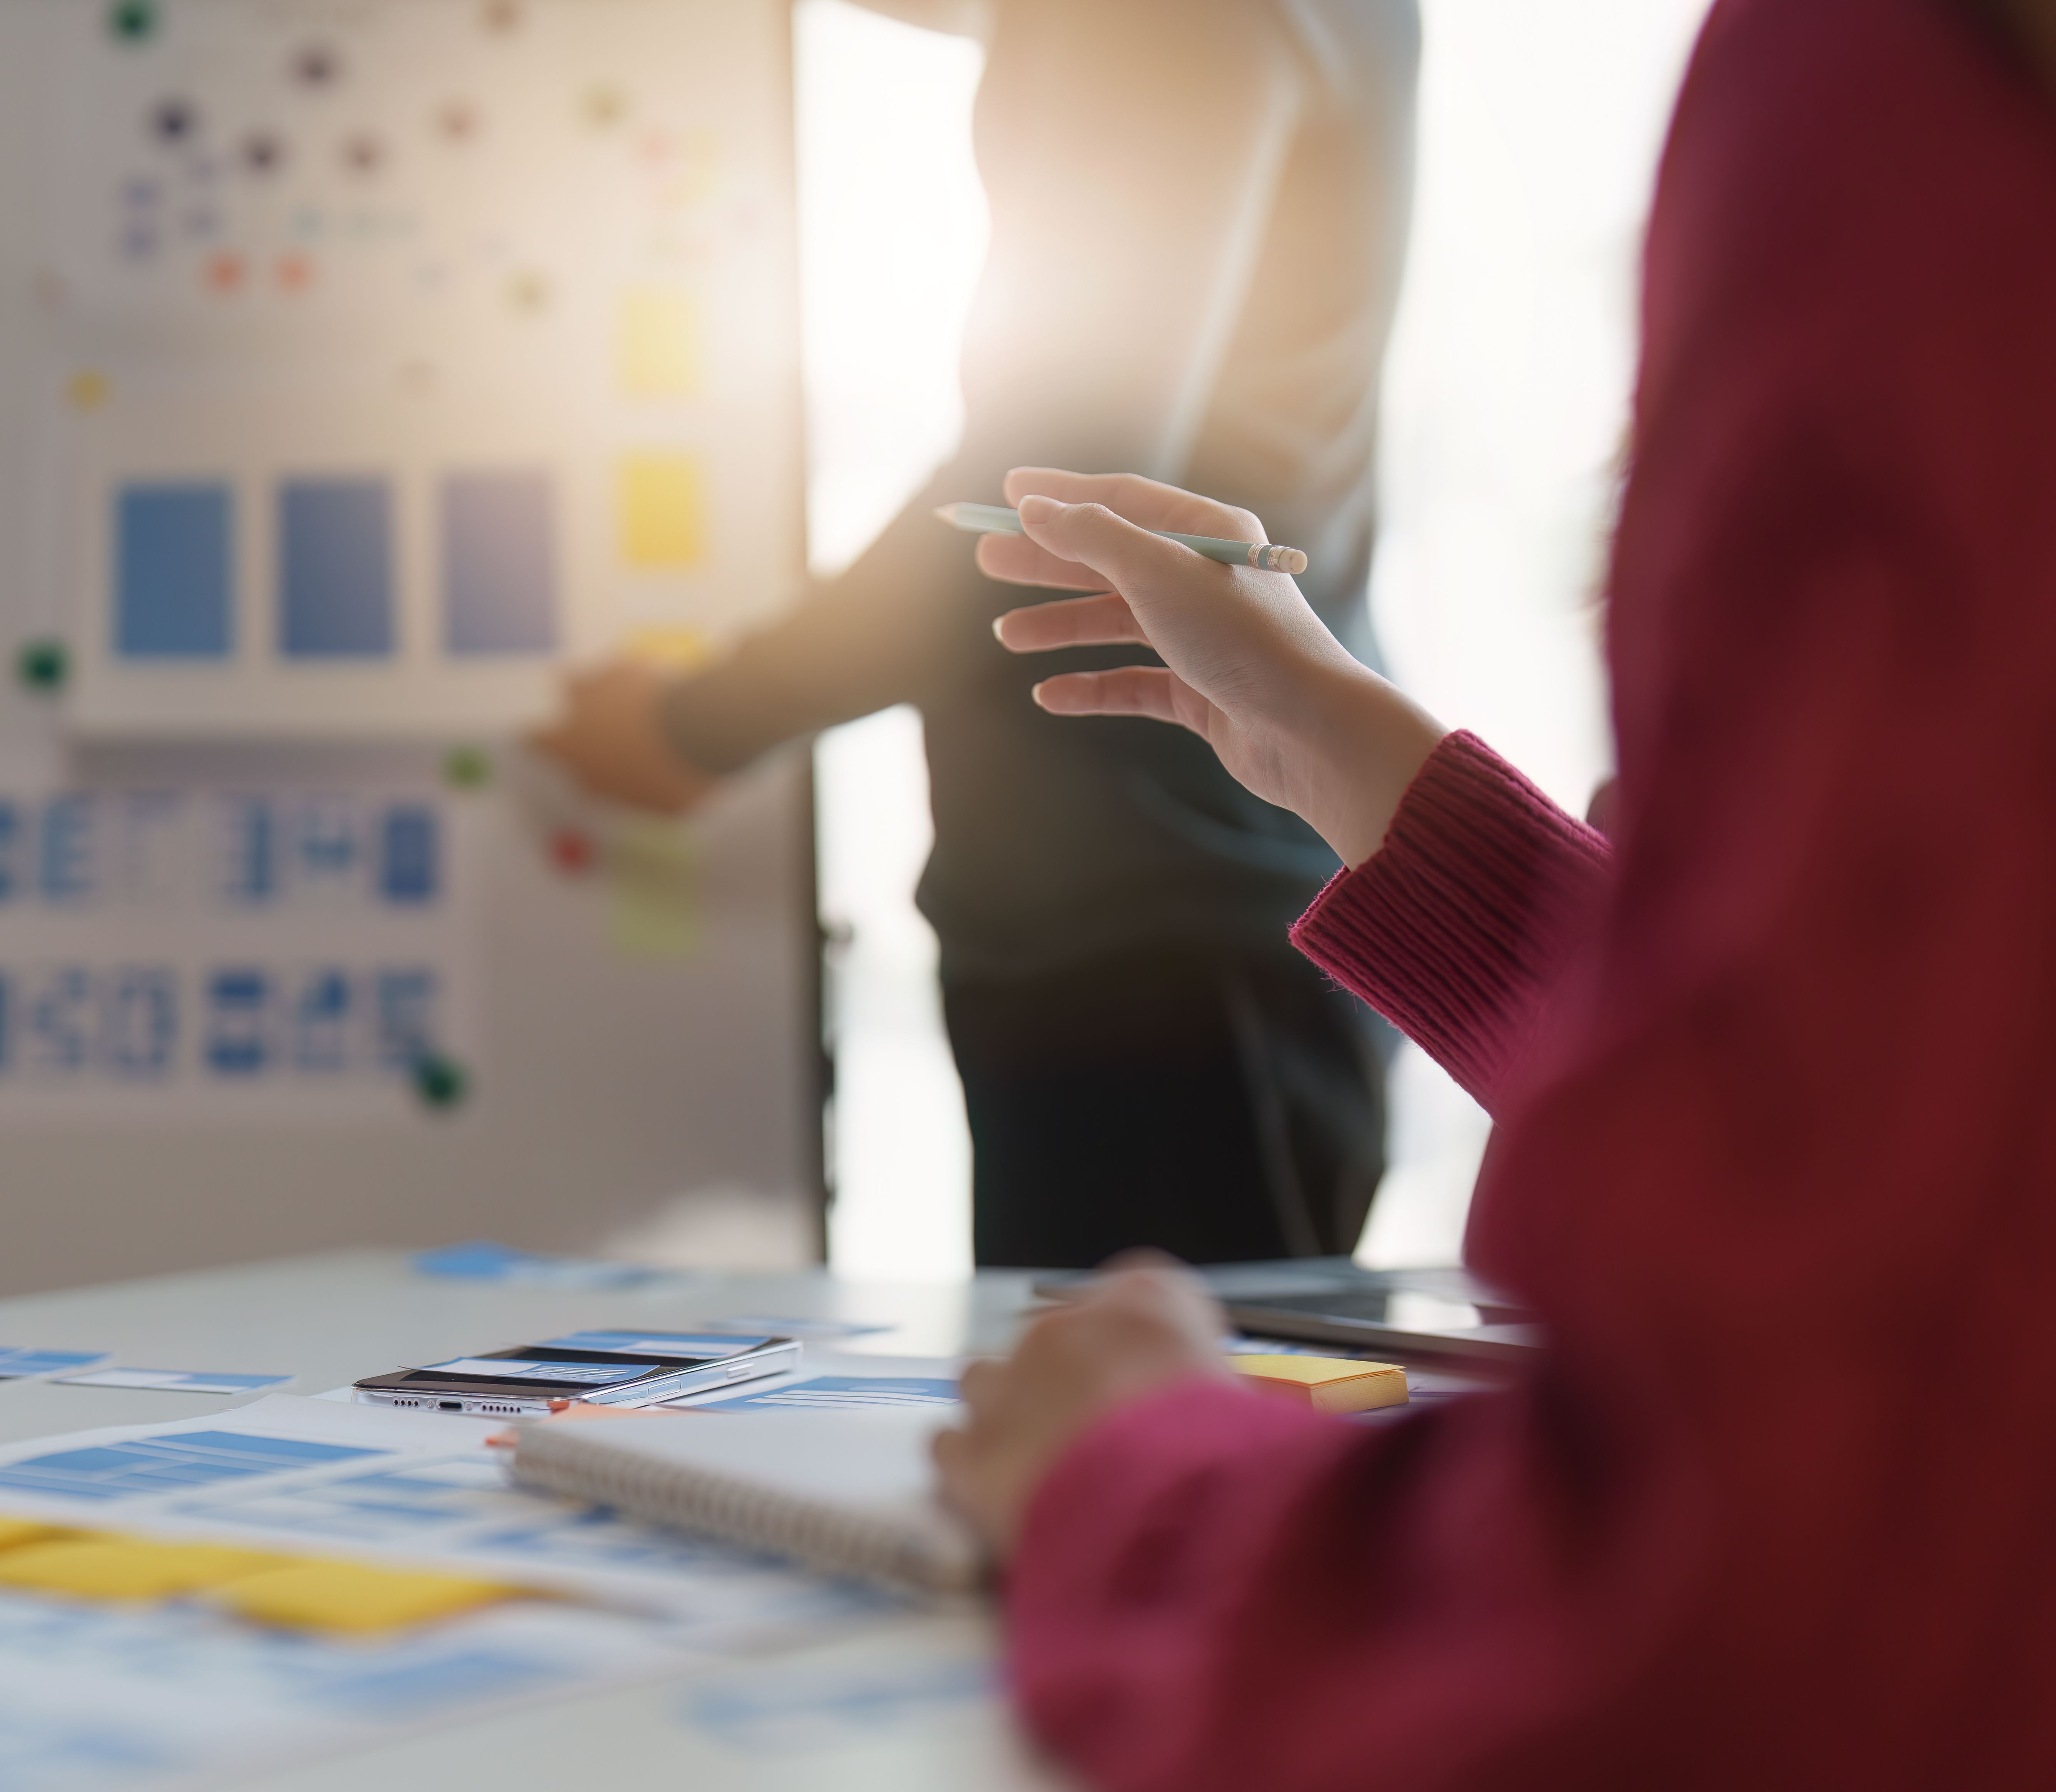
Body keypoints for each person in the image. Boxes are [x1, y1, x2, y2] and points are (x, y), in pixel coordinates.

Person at [929, 0, 2056, 1783]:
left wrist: (1137, 1484)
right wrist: (1349, 753)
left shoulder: (1904, 96)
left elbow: (1752, 1628)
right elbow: (1901, 1084)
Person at [534, 0, 1420, 1268]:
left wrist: (694, 725)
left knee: (1151, 1389)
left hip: (1158, 930)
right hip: (1174, 904)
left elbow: (1052, 494)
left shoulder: (1166, 20)